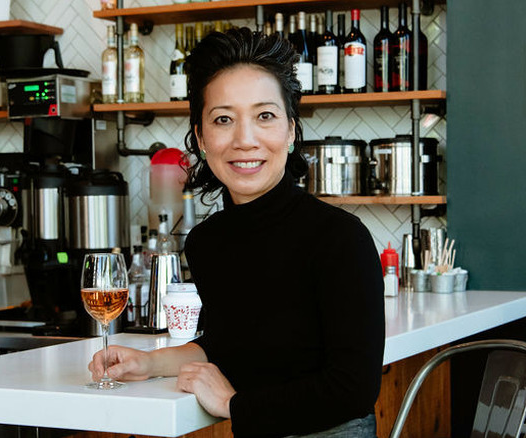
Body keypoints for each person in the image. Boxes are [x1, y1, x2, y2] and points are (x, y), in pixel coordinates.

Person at [89, 27, 385, 438]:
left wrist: (234, 405)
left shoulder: (339, 238)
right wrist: (148, 362)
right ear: (201, 138)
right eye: (224, 119)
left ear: (291, 130)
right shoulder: (207, 242)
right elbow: (233, 345)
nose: (245, 140)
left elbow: (352, 389)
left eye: (265, 116)